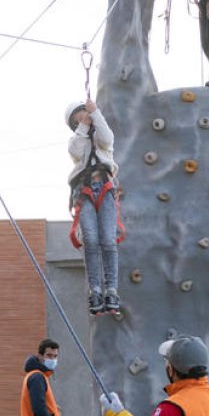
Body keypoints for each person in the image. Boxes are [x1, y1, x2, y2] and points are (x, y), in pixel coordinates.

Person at [65, 98, 121, 316]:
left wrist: (96, 114)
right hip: (84, 191)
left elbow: (107, 138)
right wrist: (84, 126)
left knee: (108, 239)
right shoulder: (76, 140)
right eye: (78, 118)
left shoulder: (101, 137)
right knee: (91, 239)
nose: (83, 118)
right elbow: (77, 152)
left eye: (83, 114)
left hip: (104, 188)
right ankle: (96, 289)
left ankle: (112, 289)